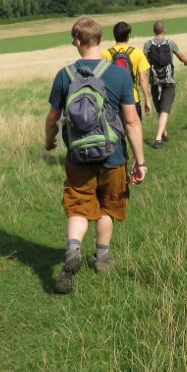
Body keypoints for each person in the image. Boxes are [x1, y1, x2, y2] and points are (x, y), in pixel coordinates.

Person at [45, 17, 147, 295]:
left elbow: (53, 117)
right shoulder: (119, 75)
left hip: (78, 156)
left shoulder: (64, 75)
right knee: (107, 206)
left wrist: (49, 141)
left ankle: (73, 249)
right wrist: (140, 162)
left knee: (78, 205)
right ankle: (102, 258)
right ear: (99, 40)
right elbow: (132, 122)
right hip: (113, 156)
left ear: (77, 41)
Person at [143, 20, 187, 149]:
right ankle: (158, 138)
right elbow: (181, 57)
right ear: (164, 30)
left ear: (154, 31)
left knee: (160, 108)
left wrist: (145, 81)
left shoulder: (147, 45)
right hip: (169, 80)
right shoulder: (170, 43)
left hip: (155, 81)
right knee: (165, 109)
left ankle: (163, 132)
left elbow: (145, 64)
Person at [102, 21, 152, 120]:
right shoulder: (137, 53)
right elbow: (143, 78)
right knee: (134, 130)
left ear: (114, 35)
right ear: (128, 35)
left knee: (115, 133)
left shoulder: (105, 54)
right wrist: (147, 100)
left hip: (112, 99)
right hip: (132, 98)